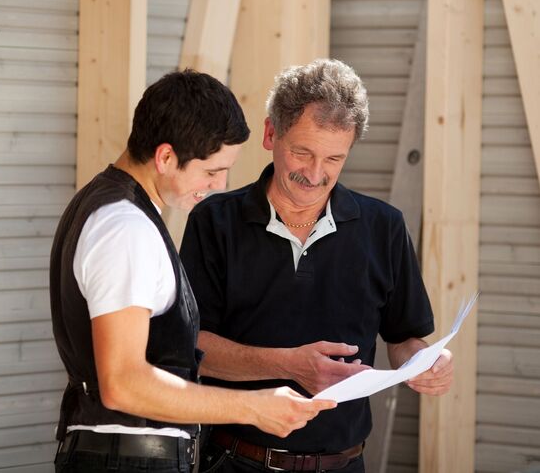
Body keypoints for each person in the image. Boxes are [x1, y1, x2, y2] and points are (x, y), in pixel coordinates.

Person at [50, 70, 336, 473]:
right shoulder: (125, 228)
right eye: (211, 171)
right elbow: (123, 382)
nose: (218, 186)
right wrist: (254, 408)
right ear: (166, 157)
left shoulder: (107, 207)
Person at [180, 59, 454, 473]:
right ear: (271, 134)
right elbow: (193, 346)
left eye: (333, 159)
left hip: (345, 464)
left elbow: (404, 337)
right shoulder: (214, 221)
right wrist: (289, 365)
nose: (315, 173)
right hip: (237, 461)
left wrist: (425, 362)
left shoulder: (385, 226)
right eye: (302, 152)